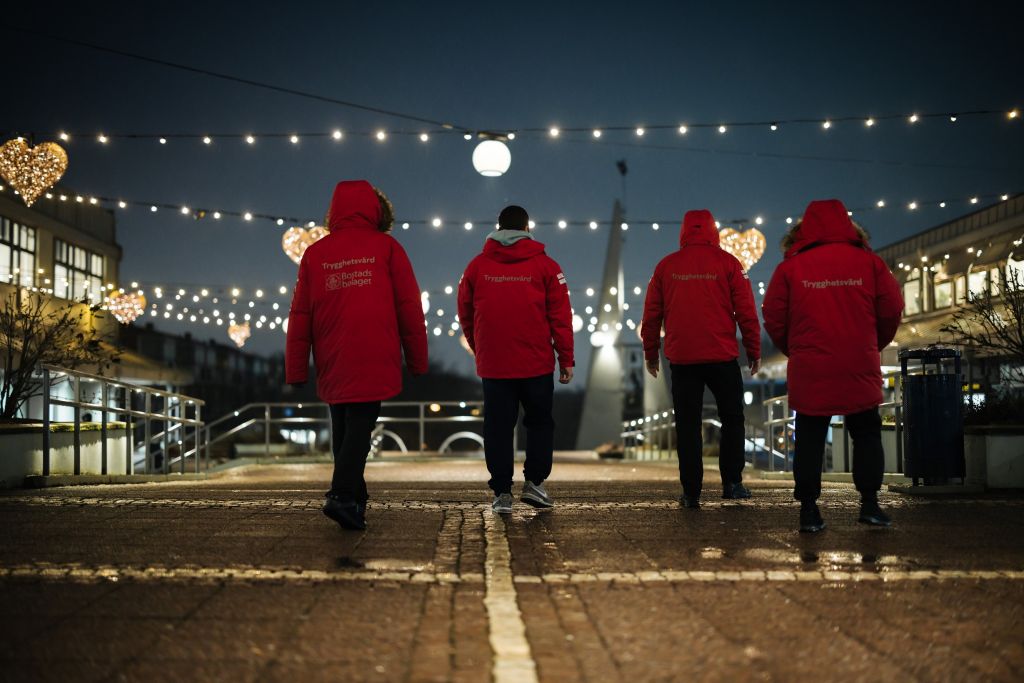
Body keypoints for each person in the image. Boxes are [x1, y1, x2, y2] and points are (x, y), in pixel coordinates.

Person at [285, 180, 428, 531]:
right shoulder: (388, 248)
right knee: (360, 428)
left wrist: (296, 368)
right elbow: (408, 307)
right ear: (378, 213)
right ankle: (342, 496)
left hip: (332, 354)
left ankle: (355, 500)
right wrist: (417, 359)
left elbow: (300, 315)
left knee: (344, 427)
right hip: (374, 350)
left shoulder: (316, 255)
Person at [762, 199, 903, 533]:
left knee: (810, 436)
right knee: (867, 433)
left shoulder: (790, 268)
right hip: (858, 360)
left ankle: (809, 510)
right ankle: (870, 503)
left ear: (803, 230)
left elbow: (773, 317)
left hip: (811, 364)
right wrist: (872, 344)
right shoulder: (870, 263)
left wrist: (795, 348)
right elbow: (892, 309)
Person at [457, 205, 574, 514]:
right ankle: (535, 483)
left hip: (494, 364)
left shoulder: (476, 267)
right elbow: (561, 317)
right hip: (536, 362)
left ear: (497, 228)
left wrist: (479, 346)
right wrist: (566, 358)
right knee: (539, 423)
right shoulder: (547, 266)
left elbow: (466, 315)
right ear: (527, 228)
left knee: (497, 426)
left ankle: (502, 492)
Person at [641, 209, 761, 508]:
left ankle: (691, 490)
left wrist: (651, 353)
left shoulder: (666, 266)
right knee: (732, 419)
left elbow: (652, 315)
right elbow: (746, 312)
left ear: (683, 231)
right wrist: (754, 350)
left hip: (682, 359)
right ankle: (732, 482)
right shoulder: (730, 264)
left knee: (687, 425)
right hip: (722, 356)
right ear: (713, 231)